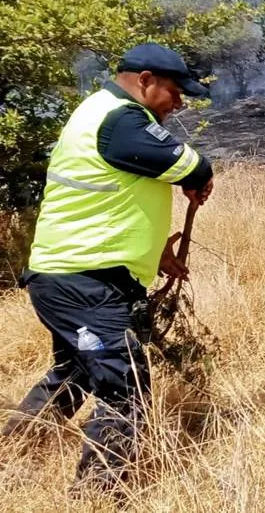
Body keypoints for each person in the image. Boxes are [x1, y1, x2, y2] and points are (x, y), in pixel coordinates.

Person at [2, 43, 214, 493]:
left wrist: (157, 253)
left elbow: (111, 200)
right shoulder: (119, 118)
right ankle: (98, 494)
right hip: (86, 283)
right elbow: (187, 162)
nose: (179, 103)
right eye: (175, 92)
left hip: (72, 277)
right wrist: (200, 174)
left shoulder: (104, 115)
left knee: (74, 374)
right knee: (124, 382)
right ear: (145, 80)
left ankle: (15, 451)